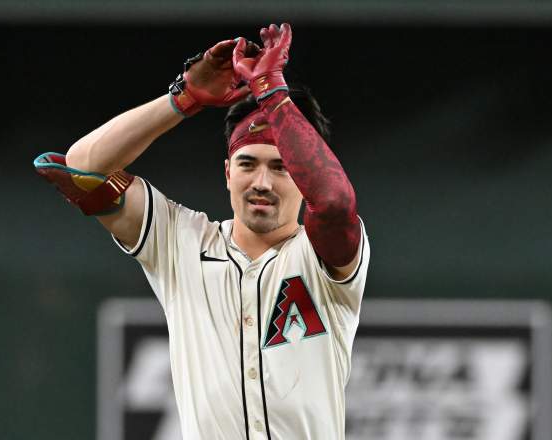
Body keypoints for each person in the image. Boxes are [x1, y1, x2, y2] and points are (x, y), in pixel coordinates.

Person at [35, 23, 369, 439]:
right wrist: (183, 99)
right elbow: (80, 166)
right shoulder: (181, 241)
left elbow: (335, 204)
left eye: (281, 167)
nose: (261, 182)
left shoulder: (321, 259)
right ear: (228, 173)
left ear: (303, 176)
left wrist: (271, 90)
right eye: (248, 164)